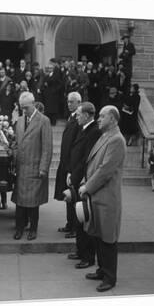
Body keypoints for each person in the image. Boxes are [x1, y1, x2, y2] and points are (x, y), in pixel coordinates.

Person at [78, 105, 126, 292]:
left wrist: (86, 187)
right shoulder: (105, 136)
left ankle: (110, 277)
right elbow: (93, 165)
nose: (98, 119)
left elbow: (105, 170)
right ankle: (101, 270)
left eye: (102, 116)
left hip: (106, 198)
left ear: (113, 119)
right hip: (97, 196)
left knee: (107, 239)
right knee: (98, 235)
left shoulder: (116, 140)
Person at [11, 92, 53, 240]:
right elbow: (16, 143)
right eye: (22, 108)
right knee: (20, 202)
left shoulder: (44, 121)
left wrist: (43, 168)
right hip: (21, 168)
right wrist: (13, 157)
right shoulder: (20, 121)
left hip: (35, 168)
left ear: (34, 104)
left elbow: (47, 147)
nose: (24, 111)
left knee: (33, 203)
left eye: (26, 107)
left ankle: (33, 229)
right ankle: (19, 229)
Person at [66, 102, 102, 268]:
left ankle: (88, 257)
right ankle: (81, 251)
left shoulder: (93, 131)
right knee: (79, 218)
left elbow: (85, 158)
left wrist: (74, 177)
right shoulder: (84, 128)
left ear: (87, 115)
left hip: (84, 179)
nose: (77, 116)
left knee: (85, 219)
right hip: (77, 177)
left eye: (79, 114)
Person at [54, 92, 82, 238]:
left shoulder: (78, 119)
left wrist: (71, 168)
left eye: (72, 102)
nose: (69, 104)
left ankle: (75, 227)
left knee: (73, 197)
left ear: (79, 102)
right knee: (68, 197)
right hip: (65, 163)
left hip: (72, 166)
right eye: (68, 101)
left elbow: (76, 146)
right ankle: (69, 224)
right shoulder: (72, 117)